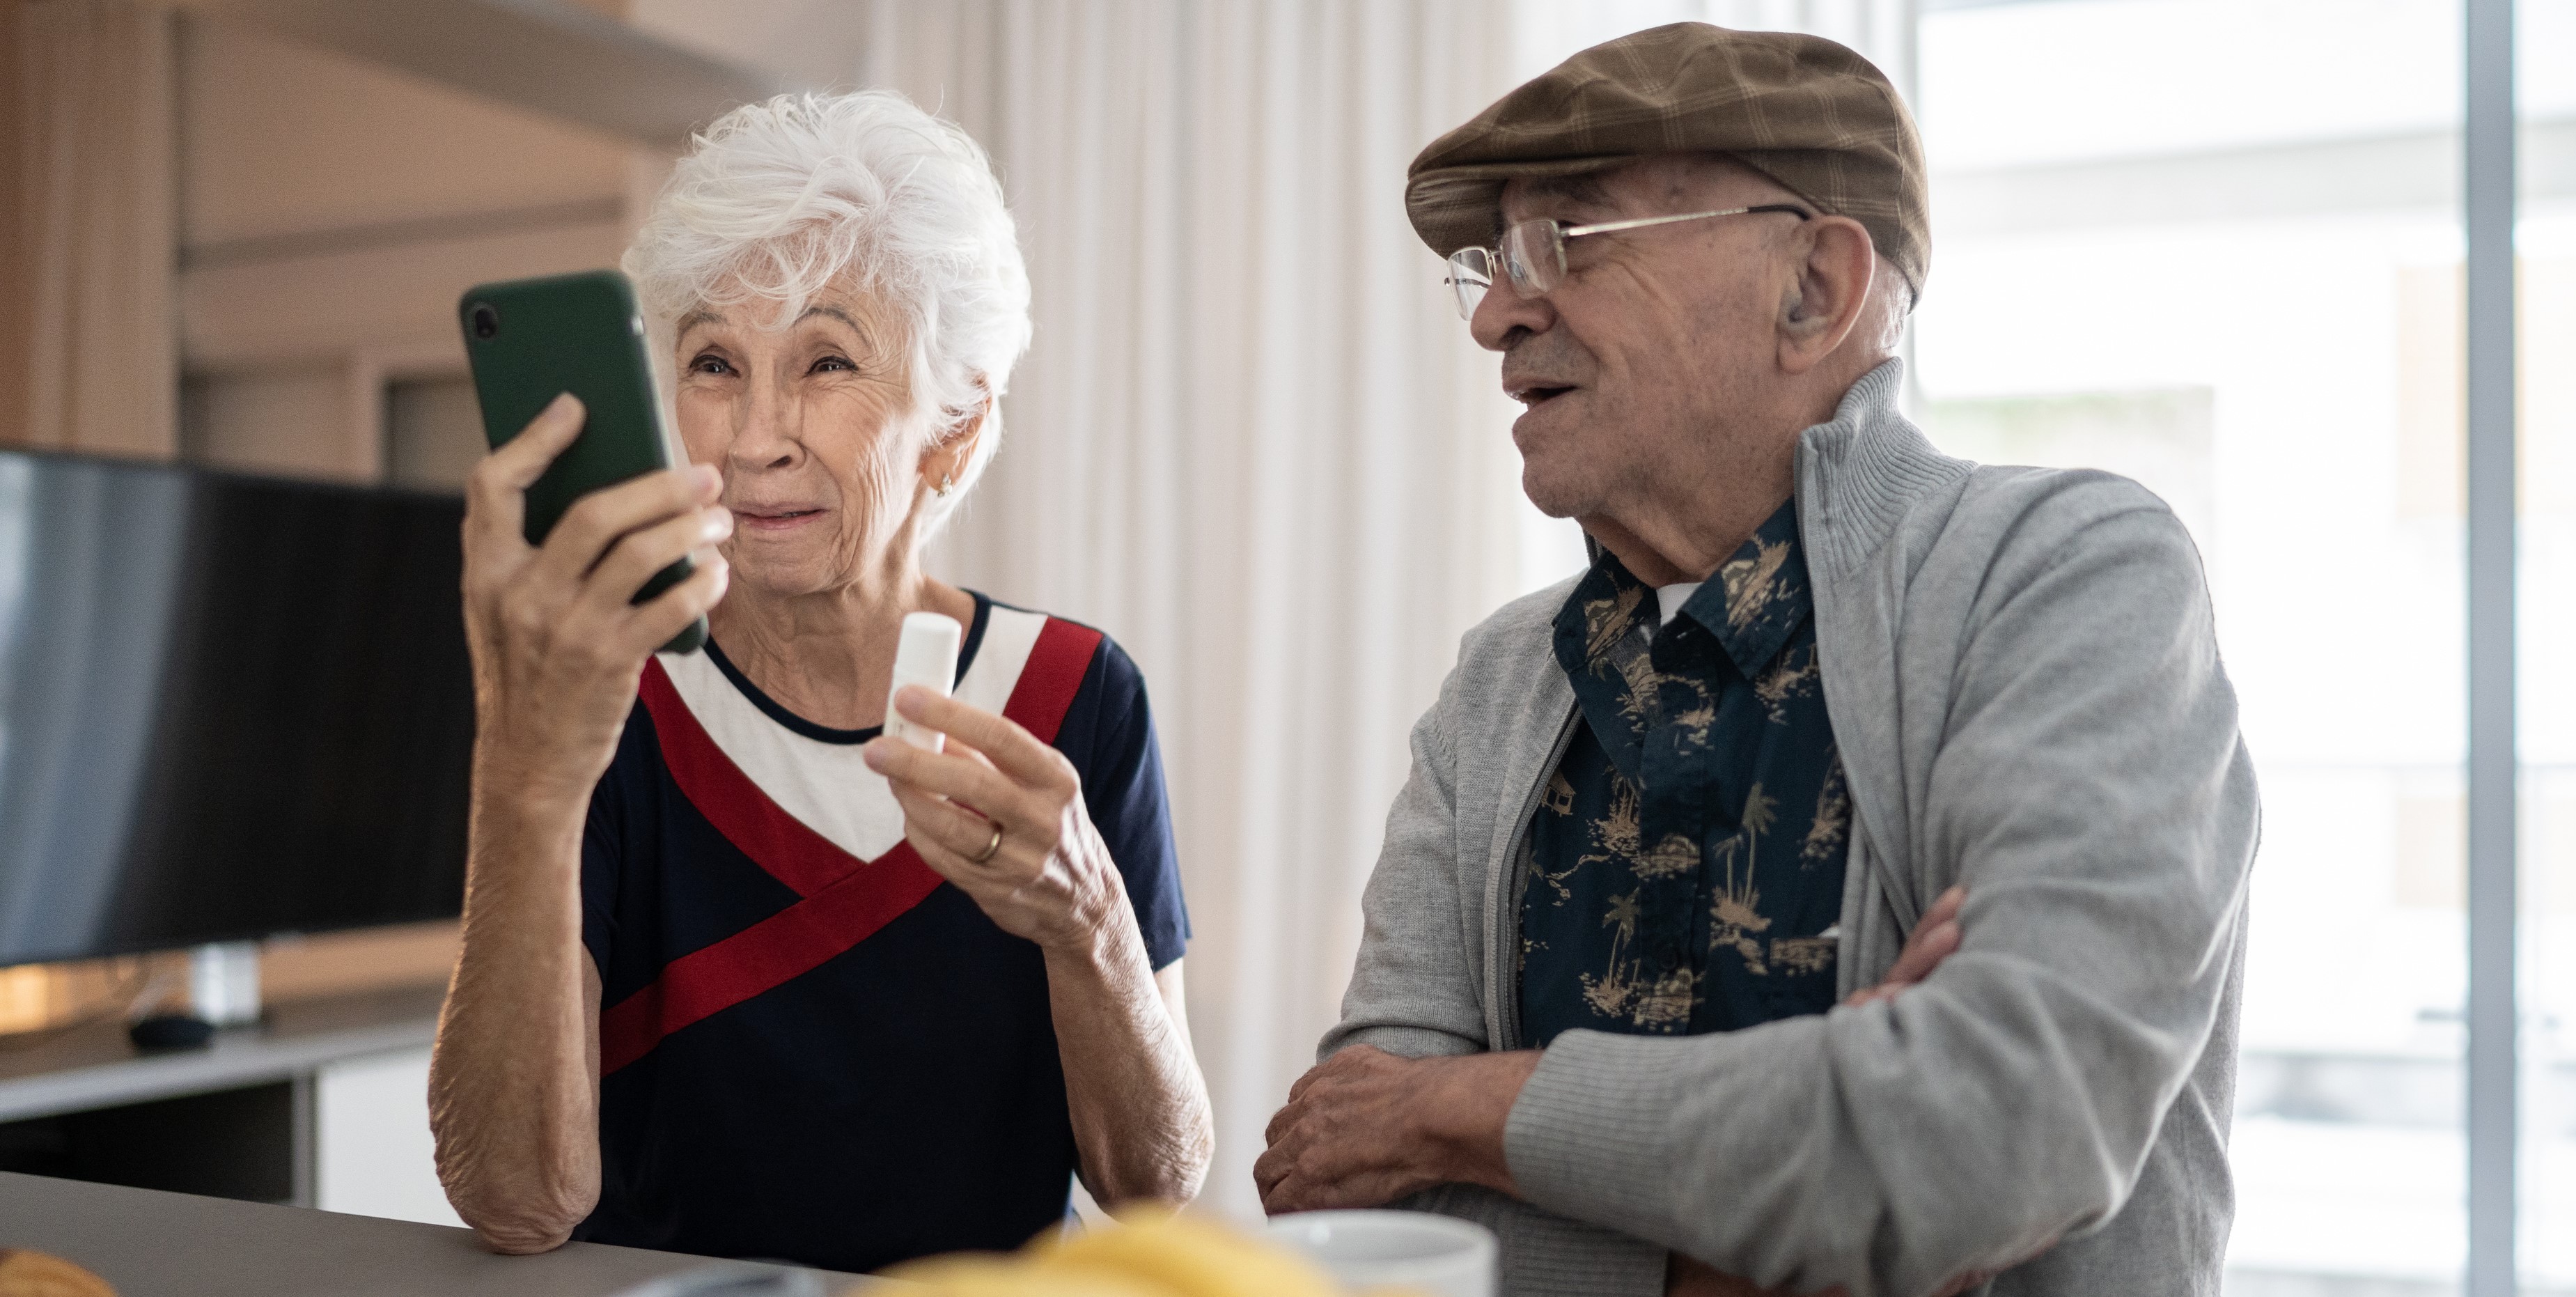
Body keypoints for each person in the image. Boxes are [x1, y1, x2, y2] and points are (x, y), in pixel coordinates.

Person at [1254, 24, 2256, 1297]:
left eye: (1566, 239)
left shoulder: (2069, 575)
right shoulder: (1497, 684)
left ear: (1814, 291)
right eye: (1494, 263)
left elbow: (1990, 1135)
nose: (1498, 315)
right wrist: (1819, 1180)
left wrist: (1459, 1111)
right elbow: (1344, 1184)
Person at [430, 91, 1211, 1273]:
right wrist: (528, 775)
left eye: (826, 362)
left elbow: (1152, 1185)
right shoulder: (604, 699)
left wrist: (1090, 920)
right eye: (712, 364)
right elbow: (517, 1200)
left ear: (953, 425)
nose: (753, 438)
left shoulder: (1074, 694)